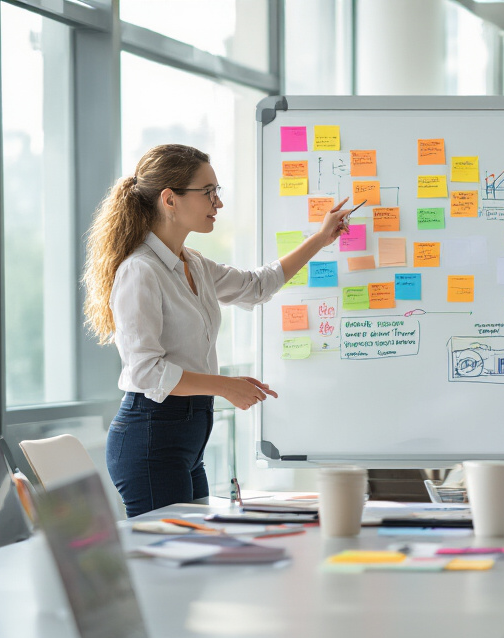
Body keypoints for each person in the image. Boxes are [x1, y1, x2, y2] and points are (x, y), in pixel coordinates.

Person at [83, 144, 353, 517]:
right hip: (151, 440)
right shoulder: (140, 271)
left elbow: (258, 285)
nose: (218, 203)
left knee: (196, 552)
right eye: (208, 192)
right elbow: (146, 372)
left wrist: (321, 239)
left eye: (217, 191)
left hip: (186, 439)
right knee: (173, 560)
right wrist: (224, 385)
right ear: (169, 199)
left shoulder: (192, 263)